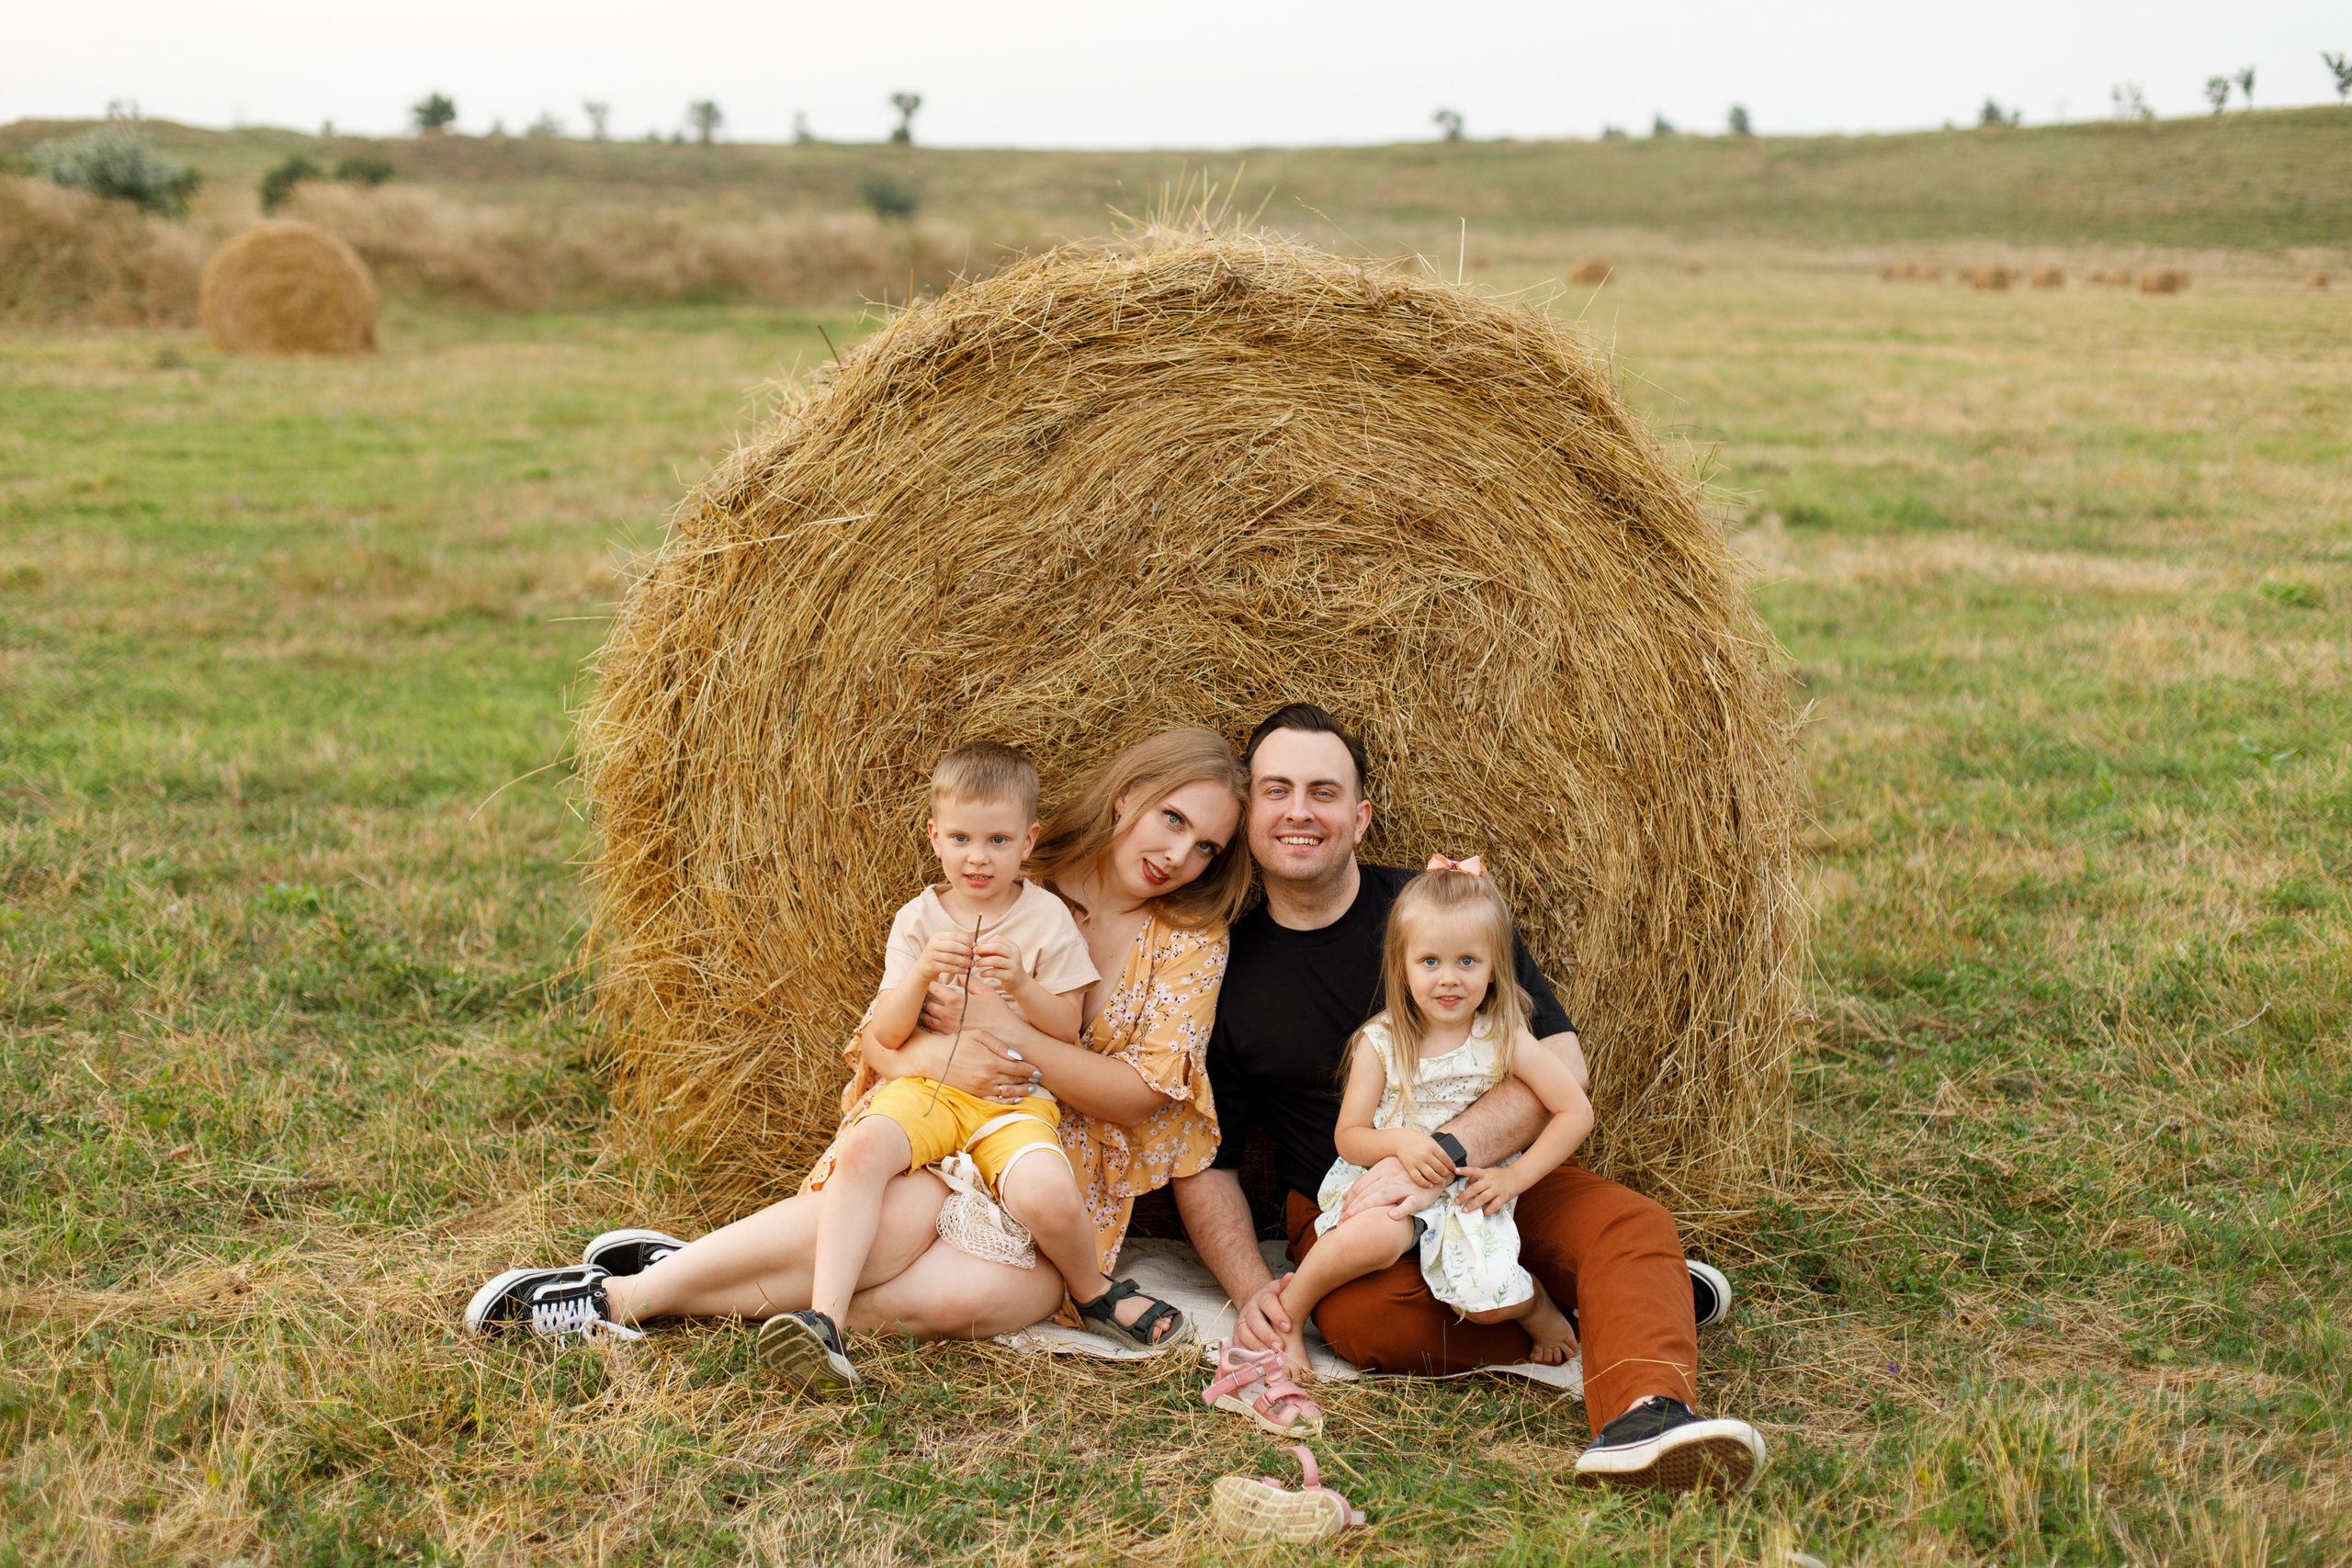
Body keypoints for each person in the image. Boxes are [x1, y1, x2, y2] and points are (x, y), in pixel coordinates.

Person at [464, 728, 1251, 1382]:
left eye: (1207, 846)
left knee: (936, 1305)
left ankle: (701, 1270)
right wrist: (939, 1061)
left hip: (1053, 1168)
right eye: (1171, 818)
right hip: (940, 1124)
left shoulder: (1188, 941)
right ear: (1129, 797)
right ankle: (618, 1301)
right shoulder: (1006, 871)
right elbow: (879, 1038)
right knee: (881, 1237)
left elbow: (1139, 1095)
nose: (1180, 854)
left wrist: (1009, 1036)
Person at [1174, 704, 1767, 1496]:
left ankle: (1647, 1414)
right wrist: (1257, 1297)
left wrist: (1447, 1152)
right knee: (1362, 1324)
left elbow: (1560, 1061)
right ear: (1250, 812)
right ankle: (1610, 1310)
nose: (1300, 811)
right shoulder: (1222, 968)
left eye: (1324, 790)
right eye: (1278, 789)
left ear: (1360, 817)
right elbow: (1204, 1159)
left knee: (1633, 1223)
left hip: (1491, 1180)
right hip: (1354, 1210)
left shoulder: (1443, 911)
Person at [761, 740, 1193, 1393]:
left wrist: (1020, 984)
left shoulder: (1046, 918)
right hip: (927, 1090)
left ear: (1028, 841)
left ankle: (1094, 1290)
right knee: (862, 1152)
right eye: (960, 837)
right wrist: (922, 974)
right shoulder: (918, 920)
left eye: (996, 839)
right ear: (935, 836)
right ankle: (826, 1317)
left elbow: (1067, 1028)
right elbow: (884, 1031)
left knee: (1047, 1192)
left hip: (1016, 1098)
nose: (977, 855)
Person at [1270, 858, 1592, 1385]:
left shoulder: (1505, 1037)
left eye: (1468, 961)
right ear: (1402, 967)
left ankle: (1536, 1307)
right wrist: (1400, 1142)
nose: (1448, 979)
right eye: (1429, 961)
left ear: (1494, 969)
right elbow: (1349, 1138)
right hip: (1394, 1179)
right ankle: (1291, 1315)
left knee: (1487, 1301)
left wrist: (1514, 1177)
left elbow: (1576, 1111)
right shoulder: (1381, 1042)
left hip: (1469, 1189)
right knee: (1371, 1238)